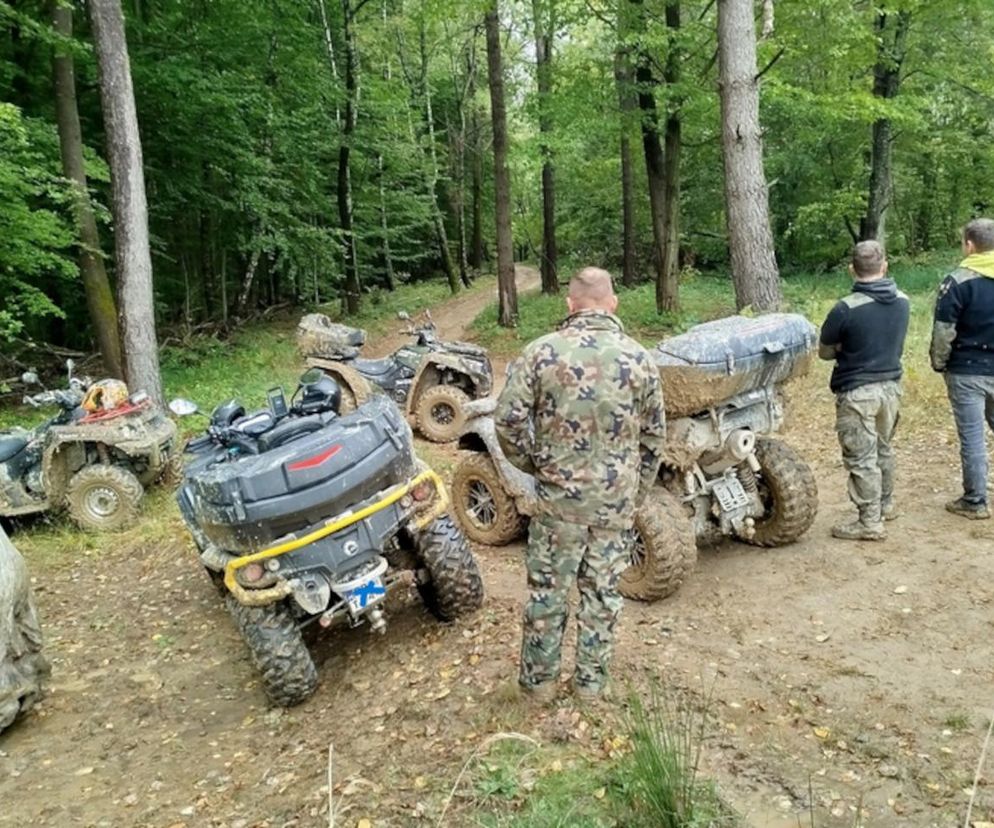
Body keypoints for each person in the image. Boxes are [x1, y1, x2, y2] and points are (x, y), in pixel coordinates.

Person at [494, 267, 666, 701]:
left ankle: (539, 687)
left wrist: (538, 467)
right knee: (602, 596)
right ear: (613, 303)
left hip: (558, 506)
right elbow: (654, 438)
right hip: (613, 506)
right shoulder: (639, 359)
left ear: (570, 304)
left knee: (549, 594)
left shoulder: (540, 353)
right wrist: (633, 493)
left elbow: (507, 422)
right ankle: (591, 687)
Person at [819, 240, 910, 541]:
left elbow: (825, 352)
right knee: (883, 448)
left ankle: (869, 522)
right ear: (885, 266)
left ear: (851, 270)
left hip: (857, 391)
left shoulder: (844, 309)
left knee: (861, 456)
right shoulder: (903, 301)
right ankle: (885, 505)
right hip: (891, 389)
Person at [930, 218, 994, 520]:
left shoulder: (956, 281)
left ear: (969, 245)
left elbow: (944, 330)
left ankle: (975, 500)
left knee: (972, 437)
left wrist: (939, 363)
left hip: (967, 371)